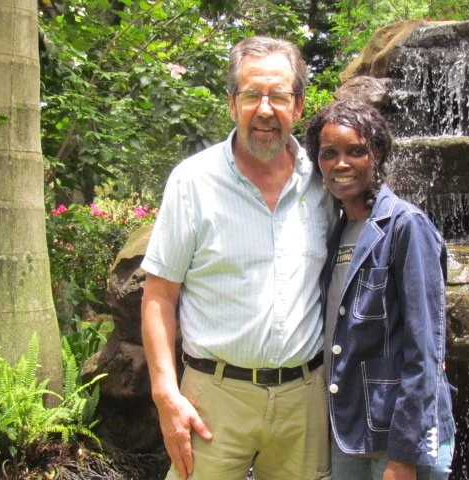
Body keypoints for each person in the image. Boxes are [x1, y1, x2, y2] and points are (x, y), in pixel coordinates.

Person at [140, 36, 335, 480]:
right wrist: (165, 393)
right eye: (252, 95)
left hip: (303, 401)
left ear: (299, 105)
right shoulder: (193, 182)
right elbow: (159, 296)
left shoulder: (324, 184)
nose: (265, 110)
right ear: (232, 104)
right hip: (213, 397)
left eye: (279, 96)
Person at [305, 99, 456, 480]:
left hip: (399, 437)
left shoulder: (407, 226)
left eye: (356, 151)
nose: (341, 164)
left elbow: (426, 347)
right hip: (349, 431)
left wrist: (404, 454)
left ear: (377, 155)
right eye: (329, 154)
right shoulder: (335, 231)